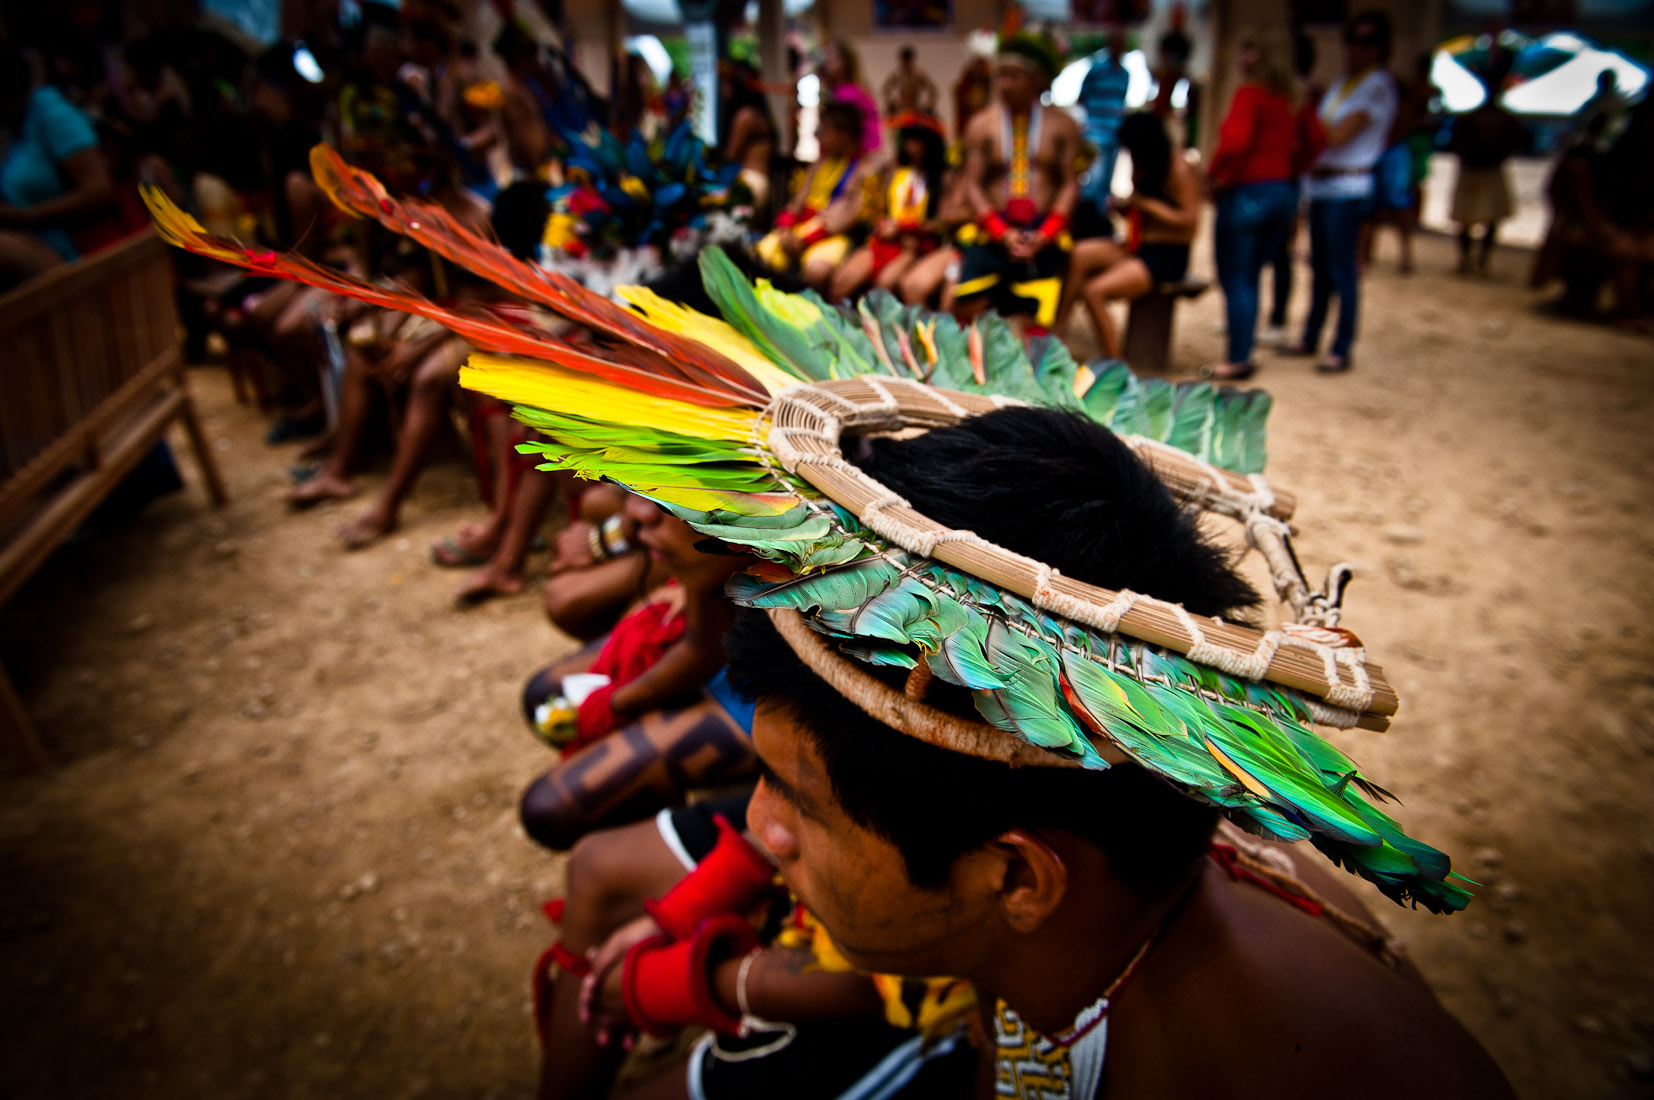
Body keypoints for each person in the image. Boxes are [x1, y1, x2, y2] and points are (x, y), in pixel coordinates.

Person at [724, 408, 1516, 1100]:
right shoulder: (1124, 904)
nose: (763, 825)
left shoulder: (1237, 1070)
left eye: (801, 803)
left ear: (1018, 880)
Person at [517, 492, 757, 851]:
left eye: (678, 482)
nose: (637, 509)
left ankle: (645, 861)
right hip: (718, 640)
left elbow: (702, 652)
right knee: (544, 694)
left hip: (760, 694)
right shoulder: (706, 551)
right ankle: (649, 836)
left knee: (550, 810)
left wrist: (610, 705)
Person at [1280, 10, 1398, 374]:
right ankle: (1312, 335)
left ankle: (1341, 346)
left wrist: (1306, 105)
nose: (1356, 49)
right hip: (1323, 185)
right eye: (1353, 40)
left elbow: (1335, 135)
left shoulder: (1377, 84)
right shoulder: (1346, 82)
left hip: (1349, 185)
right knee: (1321, 268)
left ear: (1380, 46)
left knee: (1343, 270)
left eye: (1367, 41)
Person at [954, 33, 1081, 335]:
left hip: (1043, 231)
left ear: (1037, 79)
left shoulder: (1063, 124)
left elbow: (1069, 184)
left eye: (1014, 76)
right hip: (993, 230)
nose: (1004, 85)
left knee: (1037, 320)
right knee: (967, 308)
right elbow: (972, 185)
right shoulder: (981, 124)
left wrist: (1047, 233)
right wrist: (1001, 232)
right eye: (1001, 76)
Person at [1203, 27, 1308, 381]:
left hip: (1247, 193)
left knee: (1237, 276)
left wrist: (1215, 175)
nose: (1242, 59)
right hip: (1282, 192)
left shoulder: (1250, 94)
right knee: (1252, 275)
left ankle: (1238, 358)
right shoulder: (1292, 98)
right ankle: (1243, 348)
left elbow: (1234, 142)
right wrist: (1290, 171)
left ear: (1264, 57)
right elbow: (1317, 139)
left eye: (1249, 52)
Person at [1065, 112, 1198, 360]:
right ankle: (1056, 334)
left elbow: (1189, 223)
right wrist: (1126, 208)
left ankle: (1115, 366)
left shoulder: (1179, 169)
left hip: (1167, 255)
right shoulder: (1145, 165)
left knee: (1093, 292)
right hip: (1138, 245)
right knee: (1078, 254)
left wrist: (1145, 205)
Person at [0, 42, 115, 289]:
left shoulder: (50, 112)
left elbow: (99, 189)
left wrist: (26, 215)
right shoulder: (16, 128)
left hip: (80, 257)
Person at [828, 111, 947, 302]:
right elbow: (873, 205)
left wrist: (902, 229)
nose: (912, 146)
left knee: (885, 284)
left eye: (918, 140)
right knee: (842, 280)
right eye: (908, 139)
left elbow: (941, 223)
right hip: (883, 240)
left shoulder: (942, 178)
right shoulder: (893, 169)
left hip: (916, 246)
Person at [754, 102, 870, 290]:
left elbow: (846, 217)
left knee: (816, 270)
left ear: (845, 134)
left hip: (831, 234)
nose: (818, 135)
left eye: (824, 130)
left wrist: (805, 240)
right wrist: (785, 228)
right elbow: (797, 203)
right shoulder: (819, 164)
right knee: (761, 255)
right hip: (802, 229)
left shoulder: (862, 170)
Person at [1449, 80, 1525, 276]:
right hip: (1478, 168)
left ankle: (1479, 259)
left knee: (1487, 217)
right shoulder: (1479, 117)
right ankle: (1471, 259)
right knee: (1468, 217)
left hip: (1487, 168)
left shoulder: (1499, 118)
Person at [1075, 28, 1130, 239]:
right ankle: (1086, 224)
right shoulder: (1096, 69)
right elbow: (1082, 97)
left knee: (1106, 184)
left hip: (1115, 134)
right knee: (1093, 182)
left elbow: (1121, 104)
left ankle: (1099, 227)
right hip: (1095, 133)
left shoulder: (1125, 74)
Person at [718, 60, 777, 210]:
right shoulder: (759, 113)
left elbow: (731, 154)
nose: (722, 89)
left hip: (750, 183)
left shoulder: (745, 116)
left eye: (726, 83)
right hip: (759, 182)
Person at [820, 40, 881, 155]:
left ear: (845, 62)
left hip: (857, 156)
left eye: (832, 57)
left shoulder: (850, 93)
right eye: (826, 57)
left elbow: (866, 134)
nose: (827, 62)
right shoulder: (838, 90)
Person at [881, 45, 938, 117]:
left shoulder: (919, 74)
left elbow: (933, 90)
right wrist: (891, 103)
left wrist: (928, 105)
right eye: (903, 60)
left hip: (916, 108)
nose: (905, 63)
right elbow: (885, 90)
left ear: (912, 60)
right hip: (900, 109)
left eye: (908, 60)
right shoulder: (896, 75)